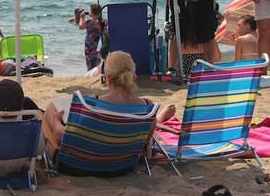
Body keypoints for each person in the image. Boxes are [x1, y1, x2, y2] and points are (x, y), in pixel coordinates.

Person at [43, 51, 175, 147]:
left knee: (51, 111)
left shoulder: (91, 105)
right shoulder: (147, 107)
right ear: (133, 76)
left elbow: (65, 136)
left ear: (108, 78)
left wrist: (56, 123)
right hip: (124, 165)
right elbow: (146, 143)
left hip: (86, 165)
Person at [76, 4, 102, 71]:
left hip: (89, 45)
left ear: (91, 13)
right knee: (97, 61)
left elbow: (80, 27)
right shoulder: (103, 22)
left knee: (89, 62)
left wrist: (81, 18)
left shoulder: (89, 22)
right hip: (98, 45)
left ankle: (90, 73)